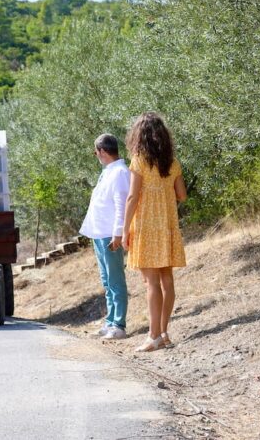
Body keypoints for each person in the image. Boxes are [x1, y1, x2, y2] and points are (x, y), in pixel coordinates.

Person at [122, 112, 188, 352]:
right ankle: (164, 333)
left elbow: (132, 196)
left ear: (139, 135)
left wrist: (124, 229)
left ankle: (153, 336)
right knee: (166, 280)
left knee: (151, 284)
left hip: (146, 227)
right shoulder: (172, 162)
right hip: (167, 226)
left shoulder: (138, 160)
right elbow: (182, 195)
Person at [79, 134, 131, 341]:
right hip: (99, 233)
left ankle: (119, 324)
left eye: (96, 152)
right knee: (107, 280)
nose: (96, 155)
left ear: (102, 151)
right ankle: (110, 321)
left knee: (116, 279)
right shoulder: (108, 172)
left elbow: (122, 205)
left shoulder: (119, 172)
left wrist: (118, 234)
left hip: (110, 235)